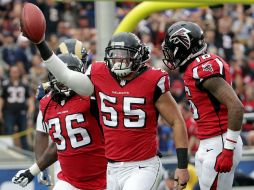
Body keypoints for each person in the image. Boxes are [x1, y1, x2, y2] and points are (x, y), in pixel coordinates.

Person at [21, 21, 190, 189]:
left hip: (143, 166)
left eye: (124, 55)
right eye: (114, 55)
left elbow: (176, 121)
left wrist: (182, 165)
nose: (118, 61)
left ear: (137, 56)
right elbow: (65, 75)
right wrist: (40, 43)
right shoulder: (99, 73)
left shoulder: (153, 79)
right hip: (111, 168)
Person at [162, 21, 244, 190]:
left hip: (219, 143)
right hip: (211, 142)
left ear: (184, 46)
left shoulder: (201, 68)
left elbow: (236, 106)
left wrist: (228, 149)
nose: (170, 54)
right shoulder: (200, 64)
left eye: (172, 49)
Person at [12, 53, 107, 190]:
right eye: (59, 76)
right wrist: (33, 170)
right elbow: (59, 142)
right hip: (69, 181)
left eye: (68, 75)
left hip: (102, 178)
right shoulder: (46, 103)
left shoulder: (91, 99)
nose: (63, 81)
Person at [0, 65, 34, 150]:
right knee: (9, 132)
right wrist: (0, 111)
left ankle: (26, 155)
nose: (14, 73)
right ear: (10, 73)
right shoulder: (5, 84)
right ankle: (10, 153)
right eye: (13, 71)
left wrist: (30, 109)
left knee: (23, 132)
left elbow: (29, 97)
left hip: (22, 112)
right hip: (9, 112)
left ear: (19, 73)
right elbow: (2, 98)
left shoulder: (24, 84)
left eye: (16, 71)